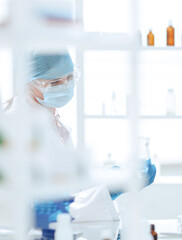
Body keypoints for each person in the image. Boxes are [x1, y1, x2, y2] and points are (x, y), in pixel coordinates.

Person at [5, 52, 156, 222]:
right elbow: (41, 211)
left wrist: (113, 177)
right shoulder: (19, 127)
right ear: (27, 83)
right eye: (54, 82)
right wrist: (110, 188)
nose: (65, 86)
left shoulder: (51, 121)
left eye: (70, 77)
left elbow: (68, 188)